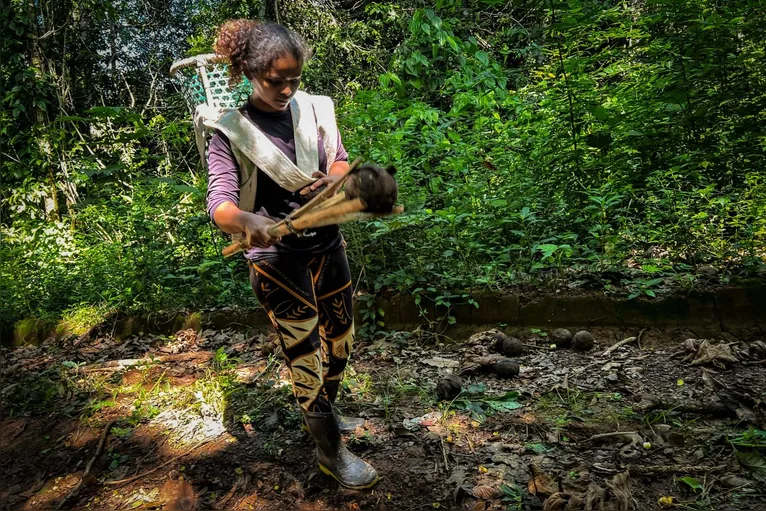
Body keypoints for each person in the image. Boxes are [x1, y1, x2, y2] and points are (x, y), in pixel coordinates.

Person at [205, 19, 379, 489]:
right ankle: (330, 451)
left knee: (341, 336)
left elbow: (338, 156)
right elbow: (219, 201)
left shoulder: (318, 109)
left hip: (326, 242)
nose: (285, 89)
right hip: (274, 258)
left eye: (294, 80)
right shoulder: (229, 133)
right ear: (247, 72)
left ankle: (325, 407)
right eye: (274, 81)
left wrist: (336, 177)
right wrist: (246, 222)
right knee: (303, 353)